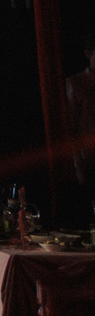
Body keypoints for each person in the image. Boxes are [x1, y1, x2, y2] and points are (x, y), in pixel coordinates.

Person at [66, 34, 95, 218]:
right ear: (88, 54)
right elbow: (71, 129)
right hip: (89, 162)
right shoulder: (76, 84)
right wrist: (78, 166)